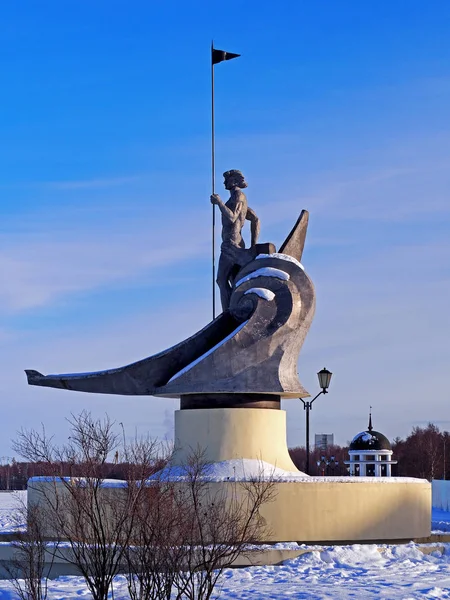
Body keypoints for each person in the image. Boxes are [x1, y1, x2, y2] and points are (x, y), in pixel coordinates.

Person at [211, 169, 260, 311]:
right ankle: (235, 310)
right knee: (234, 280)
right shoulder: (237, 198)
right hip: (233, 243)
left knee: (221, 280)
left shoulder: (238, 196)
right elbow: (255, 219)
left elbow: (232, 218)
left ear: (234, 181)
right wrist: (252, 245)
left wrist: (219, 203)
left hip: (231, 244)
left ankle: (228, 313)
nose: (224, 182)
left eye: (227, 179)